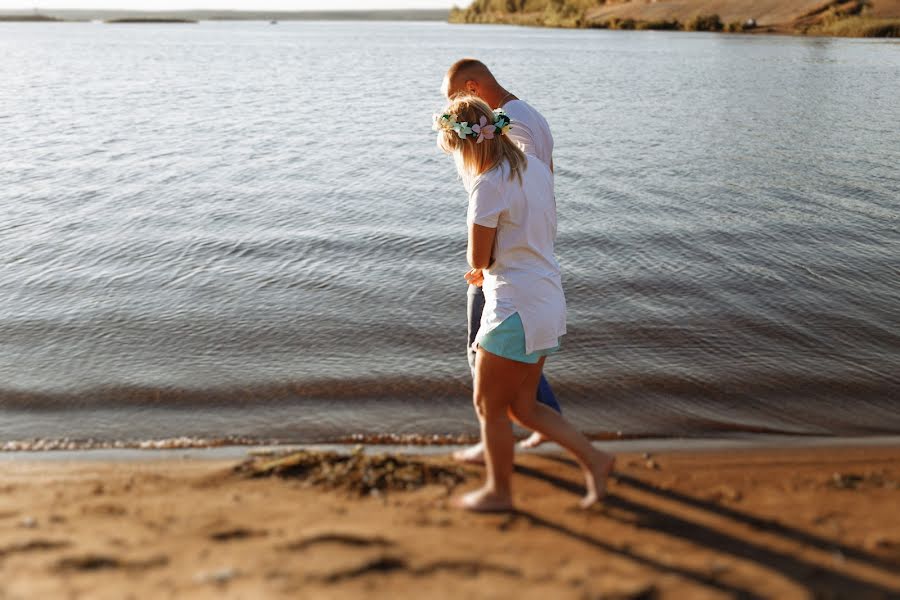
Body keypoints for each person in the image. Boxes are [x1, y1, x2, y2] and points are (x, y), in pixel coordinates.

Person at [434, 95, 615, 512]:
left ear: (467, 145)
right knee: (523, 406)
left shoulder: (487, 183)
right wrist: (495, 261)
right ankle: (597, 459)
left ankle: (499, 493)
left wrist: (483, 265)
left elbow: (477, 258)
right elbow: (529, 231)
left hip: (513, 306)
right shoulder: (534, 167)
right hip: (547, 296)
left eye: (455, 151)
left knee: (488, 405)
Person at [442, 58, 562, 464]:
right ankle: (544, 428)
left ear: (472, 88)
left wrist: (486, 261)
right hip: (531, 259)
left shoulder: (509, 125)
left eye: (455, 97)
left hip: (505, 267)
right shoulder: (529, 114)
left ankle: (498, 437)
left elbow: (509, 196)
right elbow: (541, 189)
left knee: (481, 352)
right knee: (522, 358)